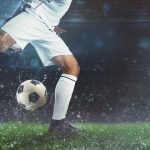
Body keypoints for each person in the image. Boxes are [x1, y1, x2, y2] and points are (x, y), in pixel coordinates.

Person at [0, 0, 82, 137]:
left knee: (72, 67)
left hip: (47, 27)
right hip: (33, 17)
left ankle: (58, 125)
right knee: (1, 42)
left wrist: (53, 23)